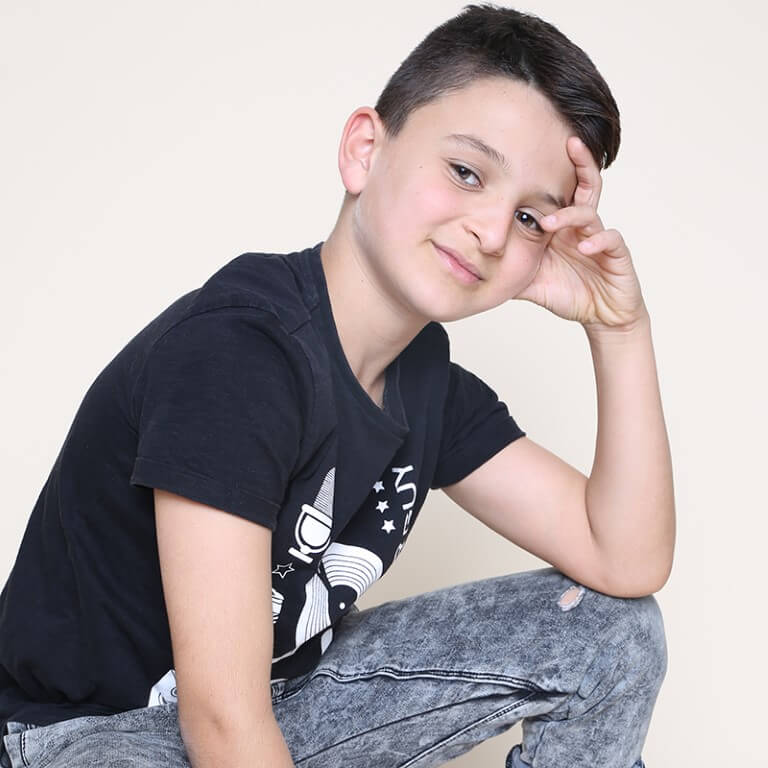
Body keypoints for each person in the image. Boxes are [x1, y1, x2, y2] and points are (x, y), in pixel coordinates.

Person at [0, 3, 674, 767]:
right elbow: (220, 721)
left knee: (611, 632)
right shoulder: (238, 352)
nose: (490, 231)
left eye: (527, 217)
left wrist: (618, 328)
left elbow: (624, 561)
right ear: (364, 151)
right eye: (465, 172)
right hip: (84, 740)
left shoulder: (429, 387)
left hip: (277, 708)